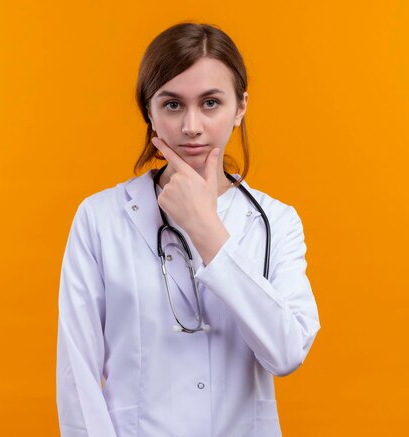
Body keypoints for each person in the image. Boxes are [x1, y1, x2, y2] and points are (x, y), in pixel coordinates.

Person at [56, 22, 320, 437]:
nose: (191, 126)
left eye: (211, 102)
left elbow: (286, 352)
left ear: (240, 107)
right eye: (173, 105)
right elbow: (78, 375)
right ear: (149, 111)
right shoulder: (99, 218)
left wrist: (207, 231)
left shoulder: (276, 221)